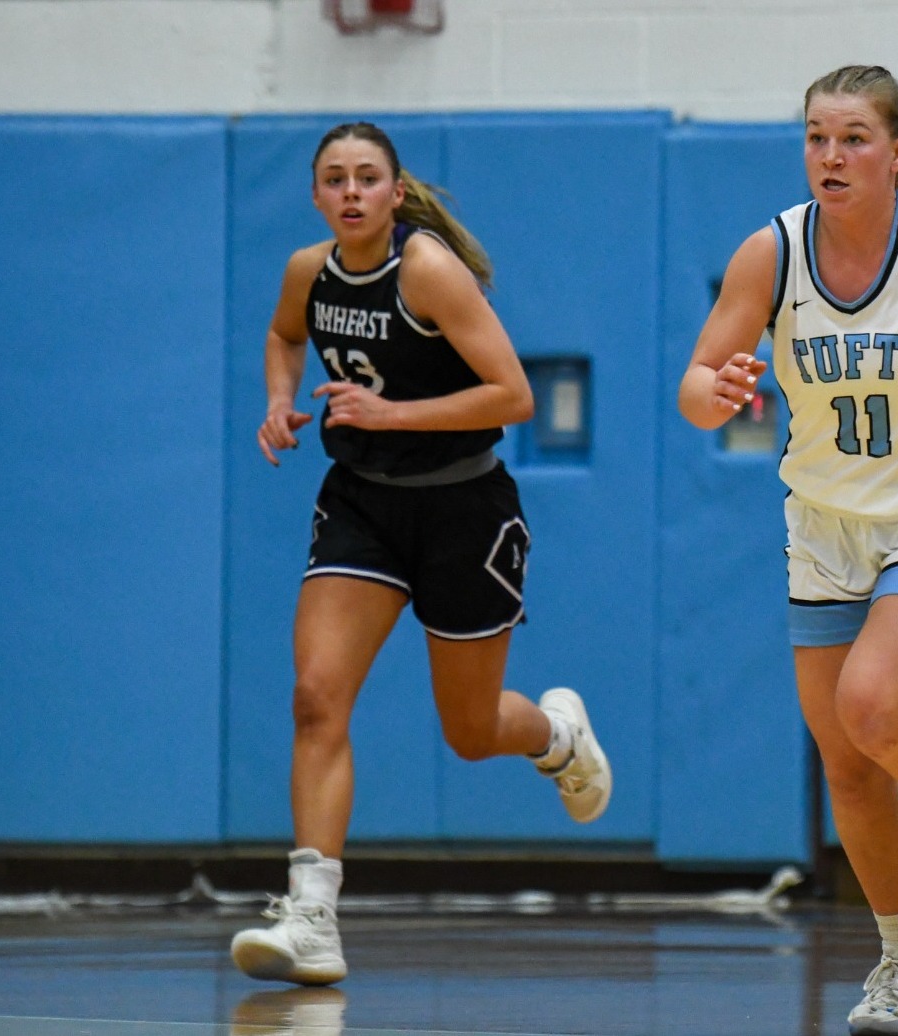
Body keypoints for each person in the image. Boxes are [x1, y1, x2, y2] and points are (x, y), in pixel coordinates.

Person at [678, 66, 898, 1036]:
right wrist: (718, 388)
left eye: (853, 138)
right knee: (846, 762)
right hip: (822, 526)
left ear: (897, 151)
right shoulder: (771, 252)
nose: (831, 156)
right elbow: (697, 382)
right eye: (817, 138)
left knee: (874, 706)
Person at [231, 121, 612, 987]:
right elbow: (284, 333)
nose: (352, 191)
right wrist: (280, 401)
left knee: (470, 732)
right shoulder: (308, 272)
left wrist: (388, 412)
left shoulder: (426, 270)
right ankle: (312, 916)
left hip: (462, 509)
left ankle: (554, 734)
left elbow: (511, 394)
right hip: (362, 504)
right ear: (319, 196)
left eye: (368, 177)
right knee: (316, 697)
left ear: (394, 194)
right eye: (335, 179)